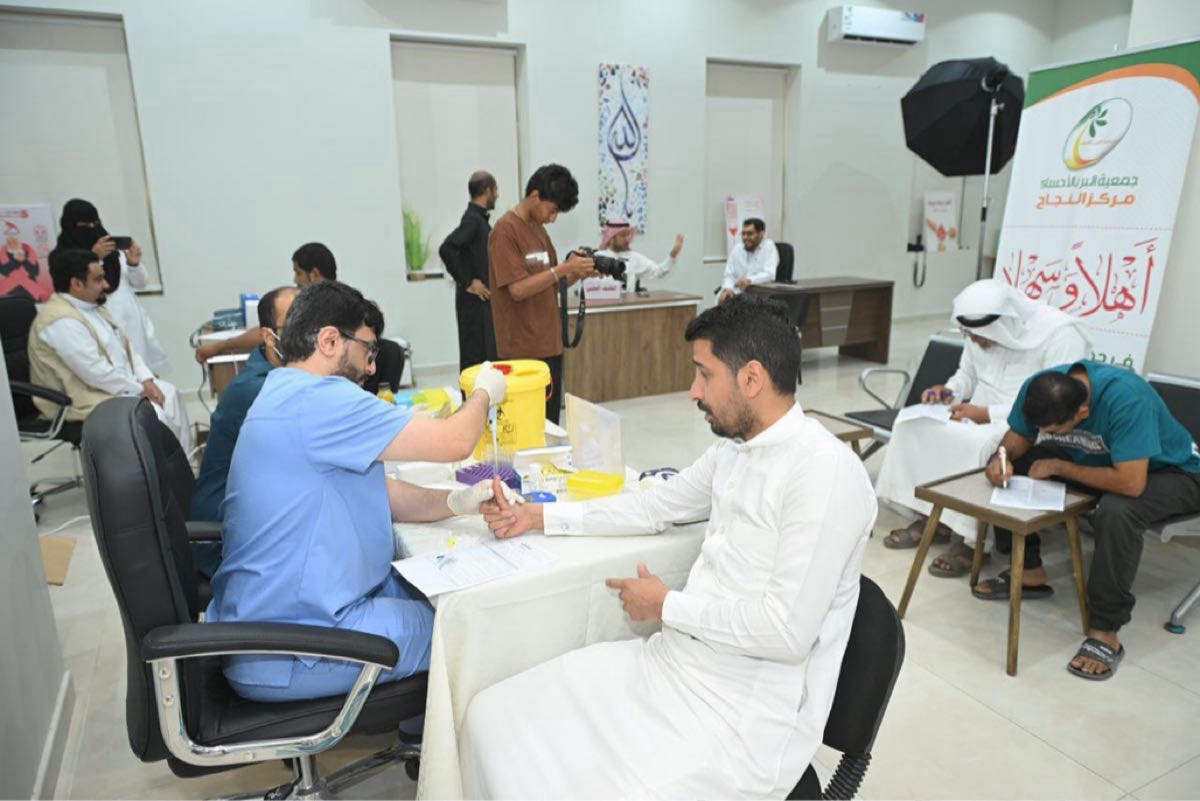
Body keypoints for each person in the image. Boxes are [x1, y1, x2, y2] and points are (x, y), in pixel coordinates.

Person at [460, 295, 878, 798]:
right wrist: (538, 516)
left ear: (751, 379)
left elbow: (786, 632)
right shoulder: (735, 451)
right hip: (672, 665)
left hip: (740, 720)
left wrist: (667, 606)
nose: (693, 391)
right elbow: (653, 505)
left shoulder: (824, 474)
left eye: (704, 375)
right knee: (491, 715)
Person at [206, 281, 517, 702]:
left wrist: (454, 502)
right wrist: (483, 392)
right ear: (330, 341)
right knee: (469, 625)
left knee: (437, 591)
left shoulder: (281, 392)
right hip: (294, 648)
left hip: (270, 625)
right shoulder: (321, 399)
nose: (372, 368)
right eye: (369, 351)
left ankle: (413, 725)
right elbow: (456, 441)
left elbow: (380, 492)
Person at [979, 363, 1200, 680]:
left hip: (1173, 472)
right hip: (1103, 459)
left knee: (1118, 510)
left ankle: (1105, 631)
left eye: (1054, 431)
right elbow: (1018, 436)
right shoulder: (1041, 387)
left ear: (1083, 413)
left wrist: (1059, 466)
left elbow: (1131, 483)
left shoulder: (1128, 399)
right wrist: (1001, 459)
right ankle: (1028, 572)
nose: (1046, 435)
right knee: (1020, 466)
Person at [876, 279, 1092, 576]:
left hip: (1028, 424)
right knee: (913, 425)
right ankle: (934, 517)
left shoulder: (1059, 335)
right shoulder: (977, 328)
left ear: (1003, 324)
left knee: (977, 445)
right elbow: (966, 374)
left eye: (980, 335)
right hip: (974, 413)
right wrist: (949, 392)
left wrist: (986, 414)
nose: (975, 341)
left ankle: (971, 540)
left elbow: (1057, 405)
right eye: (969, 334)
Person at [28, 248, 192, 453]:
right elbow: (95, 373)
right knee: (152, 414)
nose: (106, 285)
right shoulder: (60, 322)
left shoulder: (93, 307)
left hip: (118, 387)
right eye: (98, 280)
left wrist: (147, 380)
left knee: (170, 394)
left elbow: (128, 348)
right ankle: (155, 471)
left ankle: (184, 465)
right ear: (77, 284)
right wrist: (139, 389)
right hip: (81, 399)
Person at [189, 286, 298, 577]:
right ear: (268, 336)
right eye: (294, 326)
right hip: (229, 539)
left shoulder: (281, 374)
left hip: (257, 517)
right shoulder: (259, 390)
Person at [488, 163, 596, 424]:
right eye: (552, 210)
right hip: (522, 350)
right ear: (535, 196)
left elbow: (551, 283)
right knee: (528, 426)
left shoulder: (539, 230)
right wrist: (562, 269)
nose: (553, 218)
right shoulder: (505, 231)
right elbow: (517, 289)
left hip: (549, 344)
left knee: (549, 424)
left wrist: (579, 271)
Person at [55, 198, 169, 371]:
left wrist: (133, 264)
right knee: (115, 371)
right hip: (99, 322)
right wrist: (93, 257)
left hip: (131, 321)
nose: (92, 229)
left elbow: (140, 283)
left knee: (141, 369)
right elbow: (76, 289)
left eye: (95, 223)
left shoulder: (114, 253)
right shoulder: (64, 259)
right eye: (84, 225)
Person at [194, 241, 337, 363]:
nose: (295, 280)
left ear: (315, 274)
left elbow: (265, 333)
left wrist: (218, 347)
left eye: (298, 273)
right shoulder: (341, 301)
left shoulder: (314, 307)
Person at [440, 170, 499, 370]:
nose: (497, 195)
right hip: (475, 306)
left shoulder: (478, 219)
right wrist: (468, 281)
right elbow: (447, 249)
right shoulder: (473, 220)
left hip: (479, 304)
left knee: (482, 358)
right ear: (487, 191)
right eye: (495, 190)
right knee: (476, 358)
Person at [595, 220, 684, 292]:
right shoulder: (597, 257)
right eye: (623, 235)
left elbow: (658, 272)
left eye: (627, 235)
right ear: (611, 238)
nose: (627, 239)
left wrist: (673, 255)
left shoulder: (634, 258)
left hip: (629, 306)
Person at [717, 217, 778, 303]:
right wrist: (728, 288)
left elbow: (770, 274)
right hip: (737, 292)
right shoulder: (737, 249)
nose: (745, 237)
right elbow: (729, 274)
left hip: (759, 294)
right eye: (743, 234)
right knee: (722, 299)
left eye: (750, 234)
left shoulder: (769, 246)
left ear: (761, 234)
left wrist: (750, 280)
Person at [1, 219, 50, 302]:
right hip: (12, 291)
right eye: (9, 241)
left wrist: (24, 260)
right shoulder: (2, 254)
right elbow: (5, 271)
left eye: (14, 241)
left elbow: (35, 272)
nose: (12, 243)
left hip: (31, 292)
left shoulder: (29, 251)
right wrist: (18, 262)